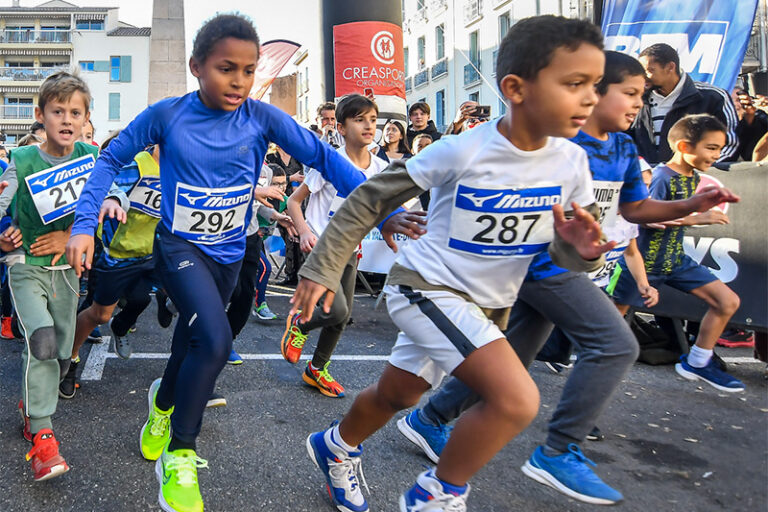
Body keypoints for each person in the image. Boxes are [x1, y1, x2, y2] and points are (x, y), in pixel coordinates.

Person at [65, 14, 413, 512]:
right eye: (226, 68)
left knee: (192, 338)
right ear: (196, 66)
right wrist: (83, 225)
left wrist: (386, 212)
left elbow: (325, 158)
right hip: (180, 248)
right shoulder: (167, 115)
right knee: (215, 337)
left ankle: (162, 403)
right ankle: (180, 456)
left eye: (249, 70)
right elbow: (110, 157)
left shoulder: (262, 117)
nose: (239, 81)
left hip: (229, 252)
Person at [291, 15, 621, 511]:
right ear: (516, 88)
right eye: (574, 84)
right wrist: (320, 266)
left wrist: (581, 250)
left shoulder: (571, 162)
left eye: (595, 85)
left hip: (487, 305)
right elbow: (369, 197)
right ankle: (437, 494)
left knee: (397, 396)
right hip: (428, 289)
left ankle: (335, 446)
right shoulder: (464, 148)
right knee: (516, 400)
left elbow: (564, 250)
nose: (591, 99)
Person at [396, 51, 740, 506]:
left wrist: (688, 206)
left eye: (643, 95)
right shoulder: (560, 143)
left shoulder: (621, 149)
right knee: (616, 344)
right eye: (630, 93)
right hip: (542, 264)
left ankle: (431, 417)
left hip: (576, 263)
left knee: (513, 359)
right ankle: (559, 449)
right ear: (592, 93)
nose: (639, 104)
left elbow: (634, 209)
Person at [0, 70, 125, 481]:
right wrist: (4, 233)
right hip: (26, 268)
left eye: (75, 111)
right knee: (42, 339)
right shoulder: (21, 161)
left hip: (68, 274)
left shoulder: (92, 159)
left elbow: (113, 192)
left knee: (57, 349)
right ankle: (43, 436)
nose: (67, 119)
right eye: (58, 111)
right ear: (41, 115)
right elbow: (1, 208)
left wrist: (77, 230)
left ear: (86, 118)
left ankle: (30, 408)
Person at [611, 114, 745, 393]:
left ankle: (697, 361)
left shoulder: (693, 177)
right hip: (643, 263)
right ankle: (576, 368)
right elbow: (644, 217)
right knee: (608, 329)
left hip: (675, 260)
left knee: (727, 302)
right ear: (684, 147)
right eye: (711, 148)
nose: (717, 155)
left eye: (720, 148)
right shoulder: (661, 176)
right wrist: (696, 218)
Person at [281, 94, 388, 398]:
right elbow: (294, 201)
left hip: (350, 248)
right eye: (359, 119)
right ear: (340, 127)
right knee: (335, 308)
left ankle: (317, 369)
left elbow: (379, 210)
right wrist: (303, 232)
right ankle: (300, 323)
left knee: (343, 315)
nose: (369, 125)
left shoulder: (380, 168)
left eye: (372, 120)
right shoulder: (329, 161)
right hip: (321, 245)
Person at [59, 147, 159, 400]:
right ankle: (70, 361)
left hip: (153, 254)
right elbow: (106, 189)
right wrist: (112, 202)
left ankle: (125, 325)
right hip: (117, 255)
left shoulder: (185, 170)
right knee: (99, 315)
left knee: (146, 298)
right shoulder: (136, 166)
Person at [629, 43, 738, 165]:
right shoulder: (636, 98)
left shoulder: (712, 97)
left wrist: (695, 170)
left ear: (670, 67)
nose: (644, 77)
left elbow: (730, 144)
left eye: (650, 70)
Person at [252, 164, 289, 323]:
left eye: (283, 183)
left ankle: (257, 303)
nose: (280, 188)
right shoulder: (259, 199)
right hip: (244, 237)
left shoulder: (285, 200)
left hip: (258, 241)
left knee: (255, 273)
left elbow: (294, 213)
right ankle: (260, 304)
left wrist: (301, 230)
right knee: (265, 268)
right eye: (275, 184)